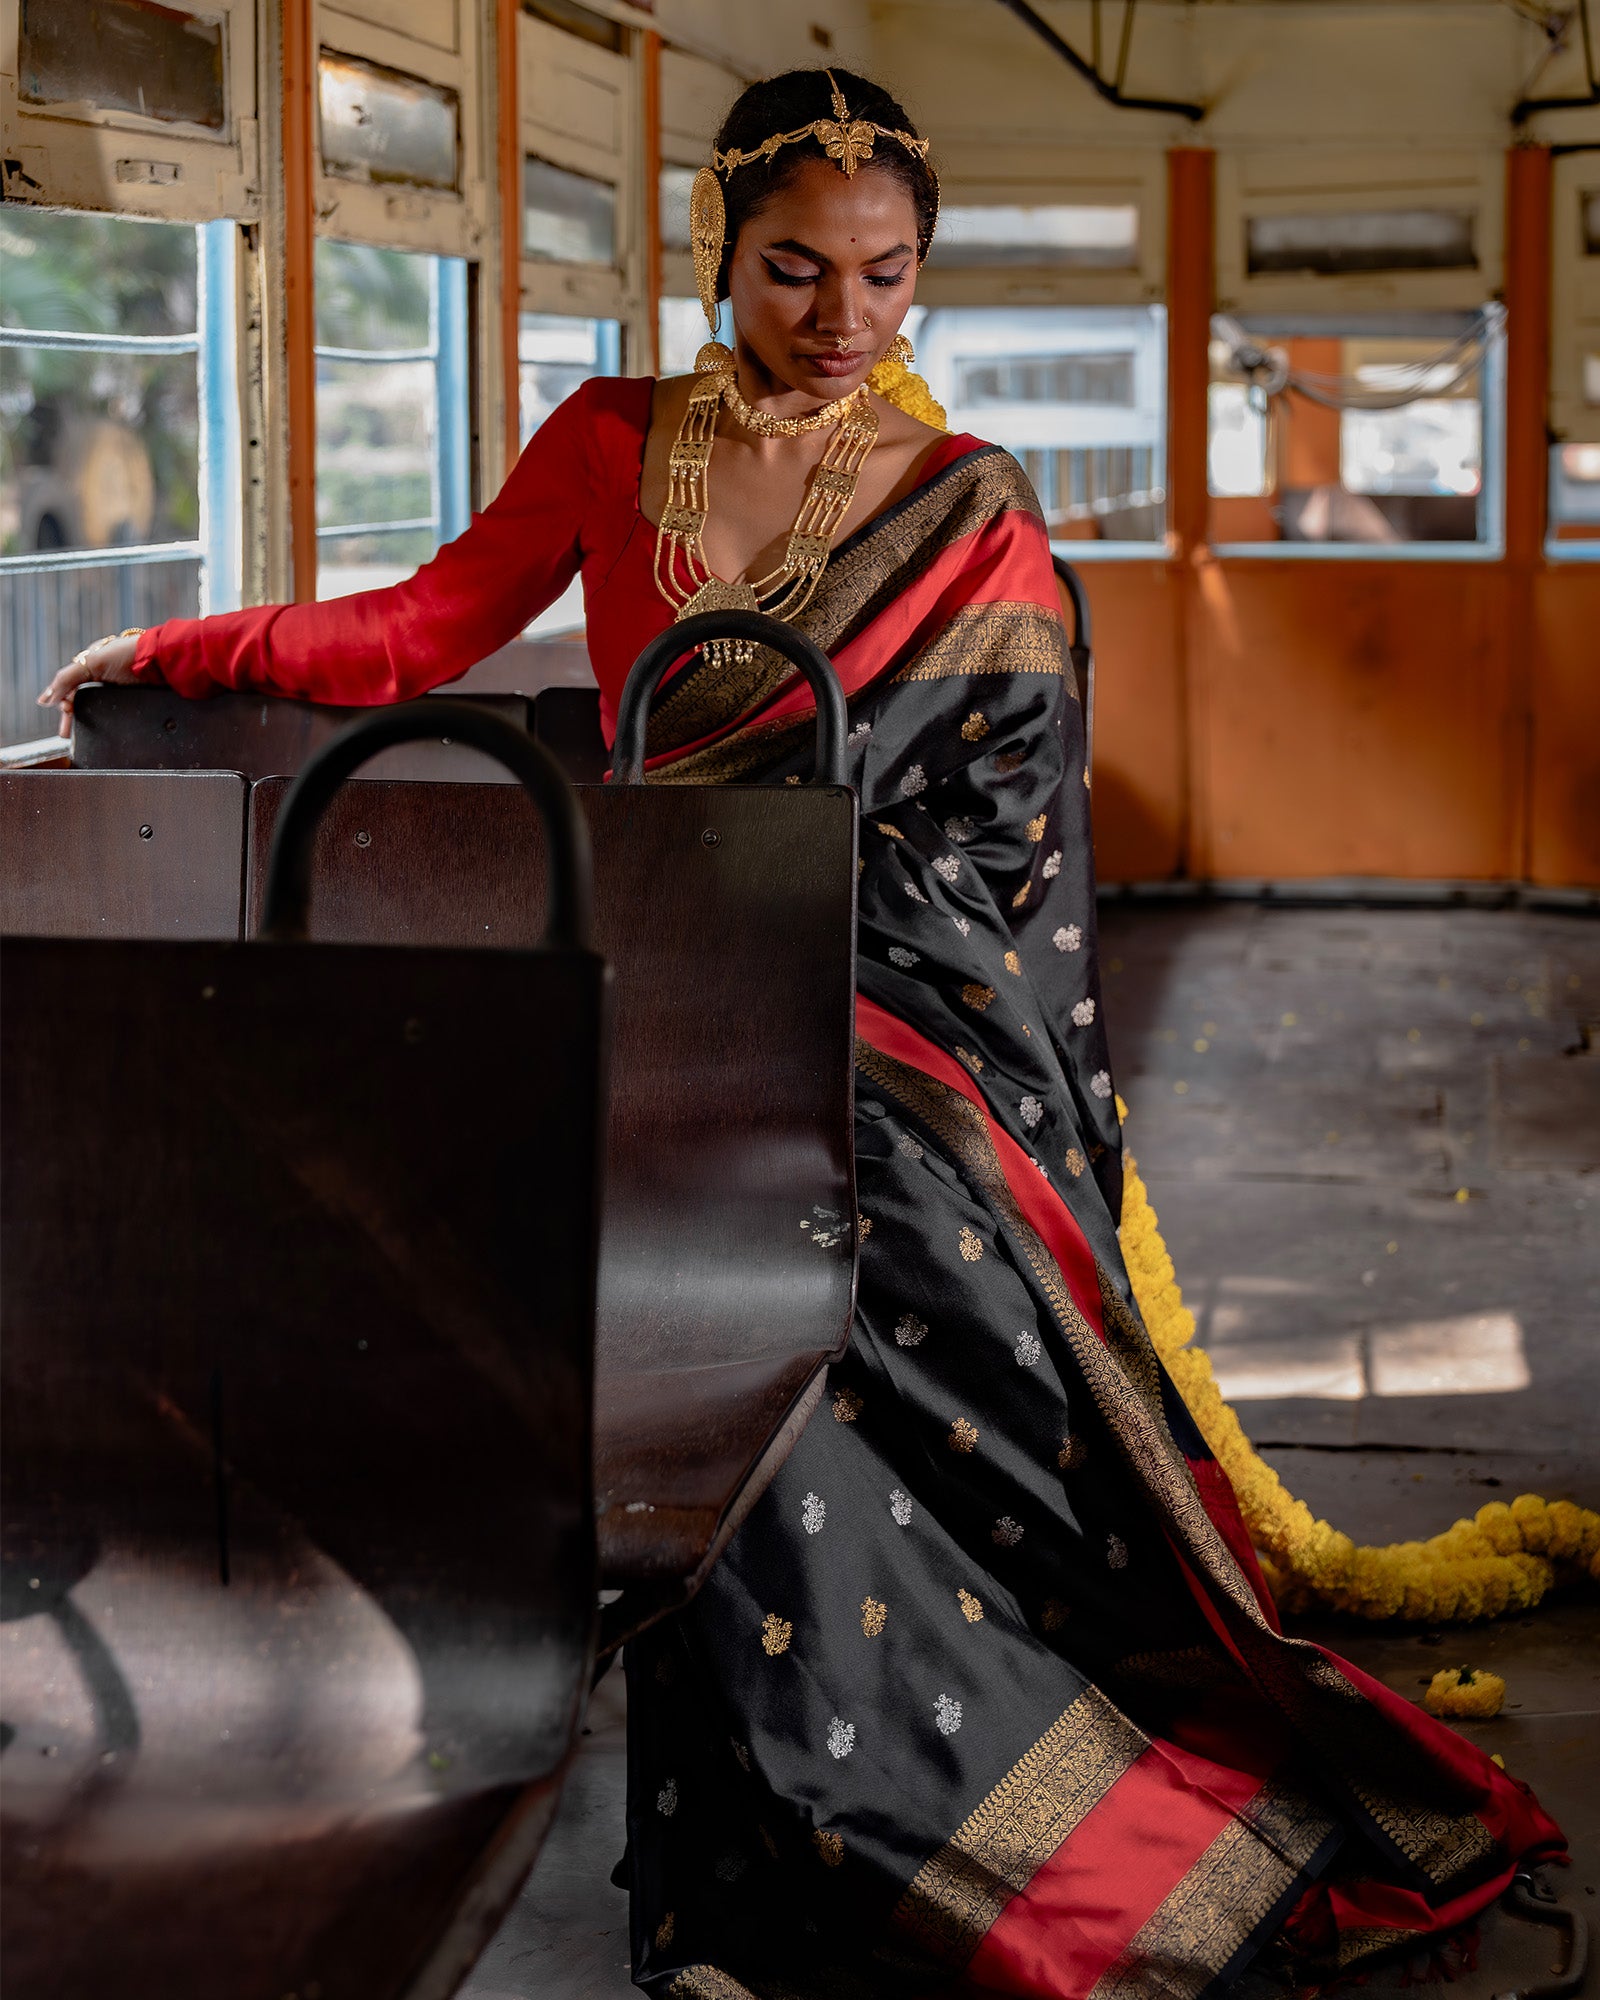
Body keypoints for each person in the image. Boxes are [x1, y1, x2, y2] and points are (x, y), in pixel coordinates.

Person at [43, 66, 1561, 2000]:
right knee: (644, 1315)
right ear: (713, 253)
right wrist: (185, 649)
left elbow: (1011, 817)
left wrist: (859, 945)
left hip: (888, 995)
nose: (843, 321)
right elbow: (417, 637)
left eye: (887, 273)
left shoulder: (962, 501)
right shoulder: (608, 441)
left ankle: (953, 1804)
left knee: (879, 1259)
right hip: (652, 984)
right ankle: (738, 1888)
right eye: (793, 271)